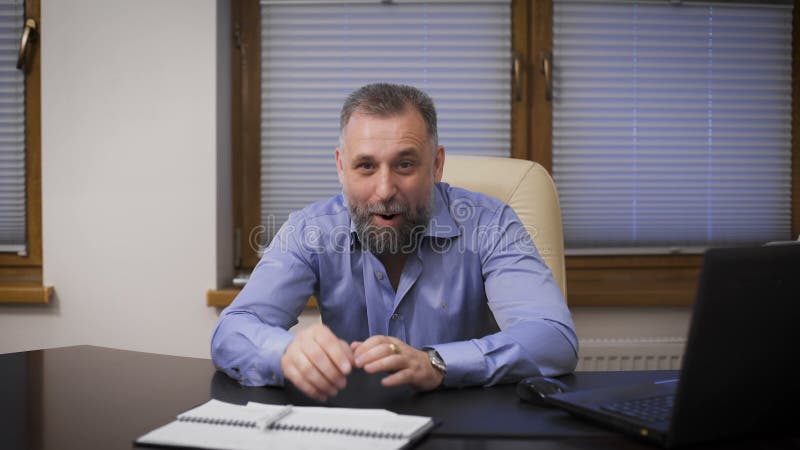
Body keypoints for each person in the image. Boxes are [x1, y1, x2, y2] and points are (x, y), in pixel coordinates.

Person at [211, 83, 578, 401]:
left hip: (465, 426)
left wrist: (438, 363)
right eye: (366, 166)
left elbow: (553, 338)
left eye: (404, 165)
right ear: (341, 167)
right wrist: (285, 353)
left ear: (436, 164)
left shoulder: (491, 223)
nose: (384, 191)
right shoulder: (310, 230)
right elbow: (232, 331)